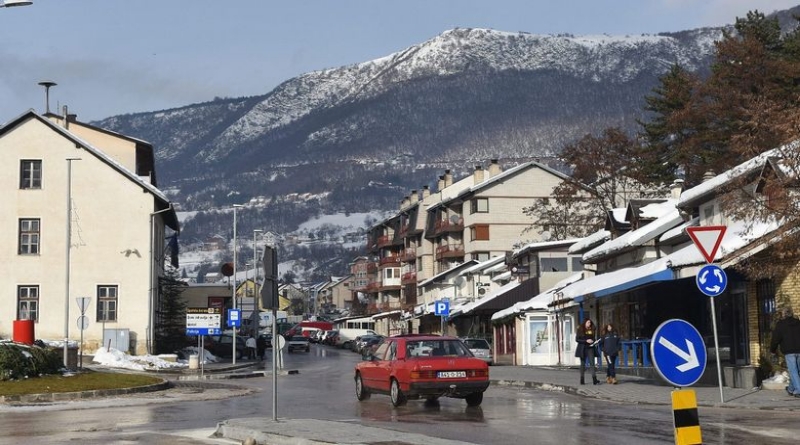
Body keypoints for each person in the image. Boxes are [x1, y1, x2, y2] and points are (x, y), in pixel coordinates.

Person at [769, 305, 800, 398]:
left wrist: (772, 350)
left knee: (793, 371)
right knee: (797, 371)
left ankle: (798, 390)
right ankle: (791, 389)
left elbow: (775, 339)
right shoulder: (798, 323)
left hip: (789, 351)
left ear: (784, 314)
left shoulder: (781, 324)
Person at [575, 318, 599, 385]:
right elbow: (577, 339)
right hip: (582, 348)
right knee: (583, 364)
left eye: (590, 323)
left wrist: (593, 341)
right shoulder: (580, 329)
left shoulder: (592, 329)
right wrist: (585, 341)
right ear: (585, 323)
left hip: (590, 348)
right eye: (588, 322)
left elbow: (593, 338)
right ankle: (582, 379)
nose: (589, 324)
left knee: (592, 363)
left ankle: (594, 379)